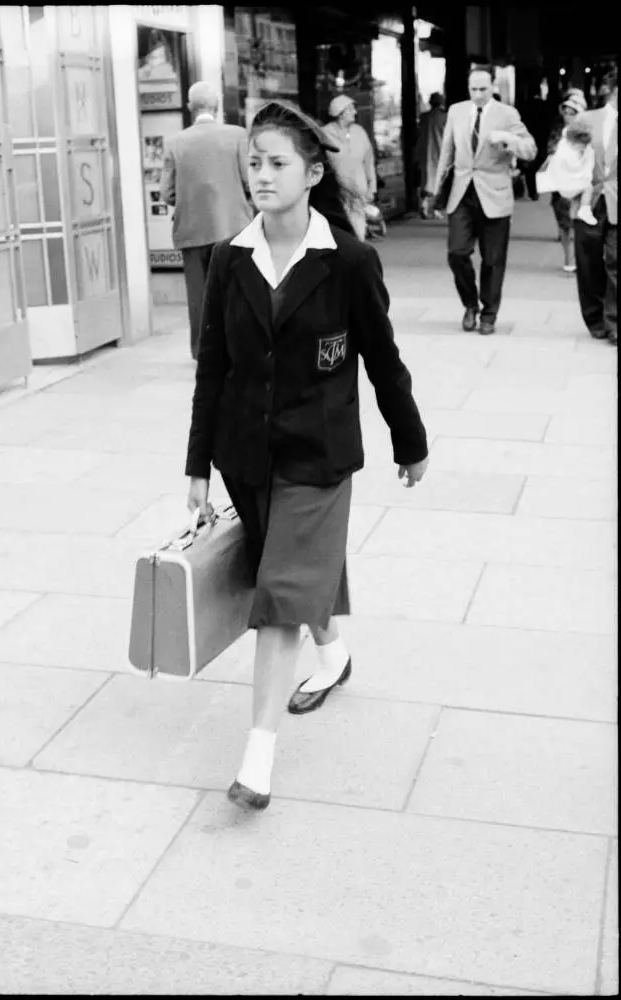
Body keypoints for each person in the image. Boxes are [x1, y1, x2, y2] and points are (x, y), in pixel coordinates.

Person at [185, 99, 429, 811]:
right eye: (253, 163)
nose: (261, 174)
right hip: (246, 456)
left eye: (276, 163)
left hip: (318, 457)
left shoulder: (348, 261)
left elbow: (382, 359)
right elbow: (212, 369)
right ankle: (335, 655)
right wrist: (197, 467)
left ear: (312, 172)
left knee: (280, 600)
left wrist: (408, 440)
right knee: (286, 574)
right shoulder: (232, 259)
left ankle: (255, 759)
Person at [430, 64, 537, 335]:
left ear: (493, 88)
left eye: (483, 89)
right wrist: (434, 192)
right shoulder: (456, 111)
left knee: (493, 259)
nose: (477, 94)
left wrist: (507, 138)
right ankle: (470, 304)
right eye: (473, 89)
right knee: (457, 253)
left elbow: (530, 150)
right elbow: (446, 152)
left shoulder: (507, 114)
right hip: (461, 192)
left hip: (495, 194)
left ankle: (489, 313)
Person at [160, 81, 254, 360]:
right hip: (233, 228)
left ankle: (204, 351)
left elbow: (166, 192)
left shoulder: (174, 142)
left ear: (190, 107)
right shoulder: (237, 135)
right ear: (217, 105)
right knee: (236, 291)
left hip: (191, 230)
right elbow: (250, 182)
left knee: (198, 296)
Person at [573, 67, 617, 345]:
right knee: (588, 262)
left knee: (615, 260)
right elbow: (566, 154)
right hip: (588, 198)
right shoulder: (586, 119)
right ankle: (594, 317)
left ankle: (614, 321)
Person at [538, 91, 590, 271]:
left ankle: (578, 257)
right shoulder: (558, 131)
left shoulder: (587, 131)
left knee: (578, 222)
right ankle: (569, 259)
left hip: (581, 182)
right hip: (560, 182)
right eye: (566, 111)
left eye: (572, 112)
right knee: (564, 222)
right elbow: (550, 149)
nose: (568, 115)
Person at [323, 94, 376, 240]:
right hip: (336, 193)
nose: (355, 112)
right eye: (350, 109)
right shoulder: (326, 134)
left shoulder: (359, 132)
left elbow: (368, 161)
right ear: (340, 113)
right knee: (338, 232)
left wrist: (372, 186)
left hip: (359, 193)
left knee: (358, 232)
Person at [417, 92, 448, 218]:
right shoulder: (445, 117)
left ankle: (424, 205)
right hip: (440, 152)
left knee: (426, 180)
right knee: (440, 181)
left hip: (424, 153)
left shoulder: (424, 117)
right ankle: (435, 208)